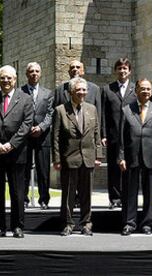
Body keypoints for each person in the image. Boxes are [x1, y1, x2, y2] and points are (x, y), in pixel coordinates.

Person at [0, 65, 34, 239]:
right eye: (2, 78)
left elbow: (27, 125)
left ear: (15, 79)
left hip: (17, 153)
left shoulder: (25, 99)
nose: (5, 81)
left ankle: (18, 227)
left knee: (18, 192)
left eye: (9, 78)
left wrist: (11, 144)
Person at [53, 77, 102, 236]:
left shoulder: (92, 109)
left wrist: (98, 156)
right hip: (69, 158)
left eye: (84, 90)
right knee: (68, 193)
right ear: (70, 92)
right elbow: (55, 137)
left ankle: (86, 223)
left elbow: (96, 134)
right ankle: (68, 223)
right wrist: (57, 159)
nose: (81, 93)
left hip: (88, 158)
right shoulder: (60, 110)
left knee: (86, 193)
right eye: (78, 90)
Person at [119, 79, 152, 235]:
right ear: (136, 91)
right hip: (131, 157)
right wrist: (121, 157)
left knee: (149, 192)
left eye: (148, 89)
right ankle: (129, 223)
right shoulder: (126, 110)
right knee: (130, 192)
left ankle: (147, 223)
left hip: (151, 156)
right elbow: (121, 138)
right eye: (143, 89)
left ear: (151, 92)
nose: (146, 91)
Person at [101, 58, 136, 209]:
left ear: (129, 71)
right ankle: (114, 198)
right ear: (115, 70)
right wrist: (103, 134)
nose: (122, 71)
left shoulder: (136, 89)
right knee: (114, 168)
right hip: (113, 135)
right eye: (119, 68)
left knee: (130, 167)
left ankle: (128, 198)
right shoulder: (107, 89)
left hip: (132, 135)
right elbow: (102, 114)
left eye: (125, 68)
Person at [21, 62, 53, 209]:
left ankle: (44, 199)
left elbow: (50, 113)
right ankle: (24, 198)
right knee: (24, 169)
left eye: (37, 71)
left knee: (43, 170)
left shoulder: (48, 93)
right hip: (24, 137)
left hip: (43, 136)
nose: (34, 74)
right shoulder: (19, 92)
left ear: (40, 74)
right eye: (31, 71)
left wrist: (41, 127)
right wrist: (27, 129)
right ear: (26, 74)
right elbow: (17, 114)